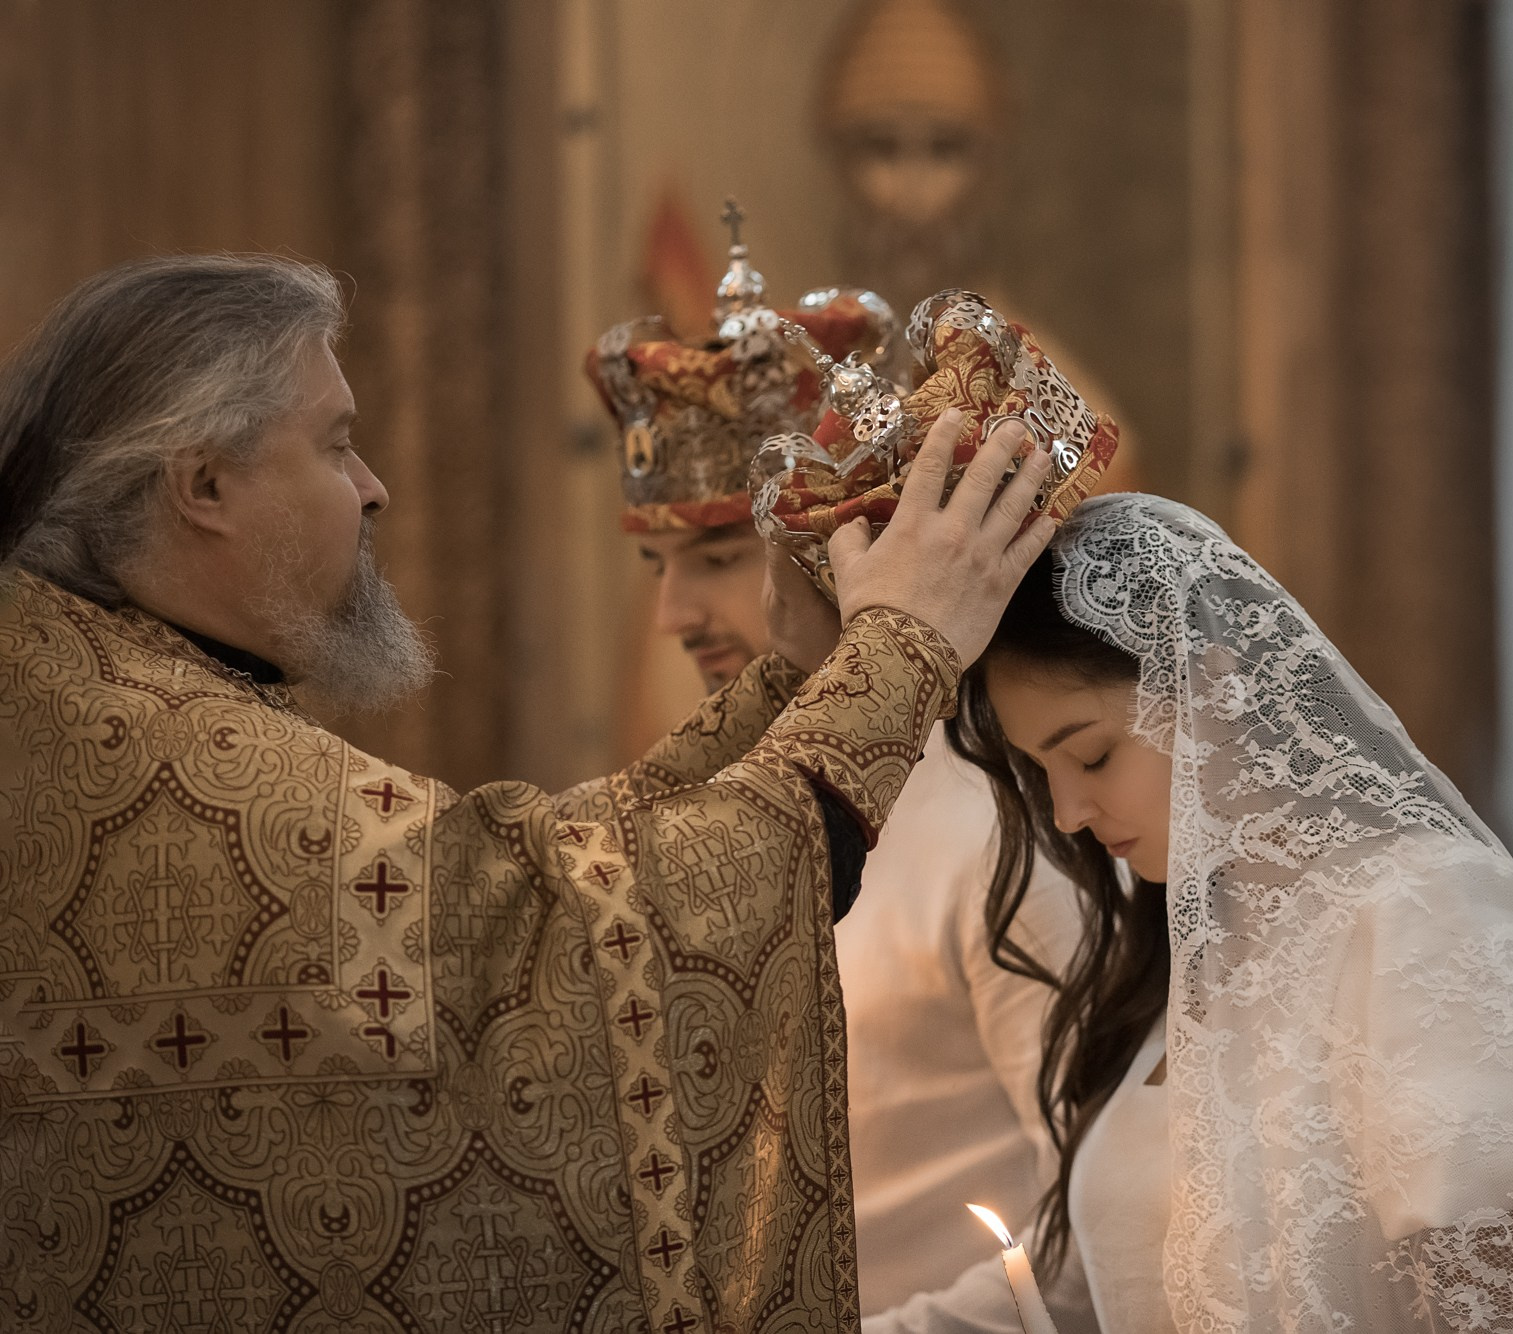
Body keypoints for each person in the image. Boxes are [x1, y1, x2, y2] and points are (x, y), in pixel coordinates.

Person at [0, 253, 1057, 1333]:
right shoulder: (136, 741)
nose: (373, 485)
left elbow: (545, 882)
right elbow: (534, 941)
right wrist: (902, 648)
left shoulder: (85, 693)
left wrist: (799, 678)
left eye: (717, 553)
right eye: (334, 442)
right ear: (203, 485)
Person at [946, 493, 1513, 1333]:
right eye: (1042, 773)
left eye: (1091, 755)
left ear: (1213, 689)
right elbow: (1098, 1282)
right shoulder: (1197, 947)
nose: (1067, 810)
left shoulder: (1425, 915)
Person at [586, 224, 1091, 1324]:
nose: (674, 615)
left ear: (847, 545)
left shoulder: (1008, 826)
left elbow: (1104, 1214)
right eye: (657, 567)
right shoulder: (719, 813)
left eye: (720, 556)